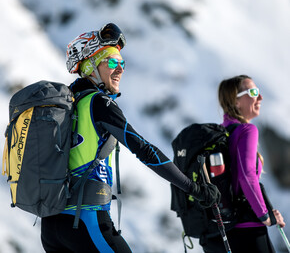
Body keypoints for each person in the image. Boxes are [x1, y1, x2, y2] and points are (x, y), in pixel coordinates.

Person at [40, 23, 220, 253]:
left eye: (122, 63)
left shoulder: (64, 104)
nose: (120, 69)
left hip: (51, 226)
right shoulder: (98, 103)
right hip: (86, 220)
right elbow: (145, 150)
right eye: (113, 62)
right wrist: (194, 188)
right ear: (91, 66)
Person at [200, 75, 285, 253]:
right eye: (253, 92)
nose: (260, 97)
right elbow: (246, 177)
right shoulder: (247, 130)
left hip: (223, 231)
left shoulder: (220, 136)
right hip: (248, 231)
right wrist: (264, 215)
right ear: (236, 102)